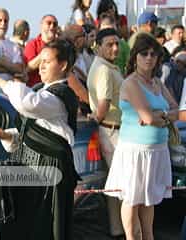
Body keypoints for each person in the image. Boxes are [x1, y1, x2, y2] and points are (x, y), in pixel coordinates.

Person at [0, 39, 79, 240]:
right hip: (31, 170)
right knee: (26, 227)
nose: (41, 66)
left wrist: (0, 82)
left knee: (46, 228)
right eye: (40, 61)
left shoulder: (61, 95)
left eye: (47, 61)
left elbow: (28, 104)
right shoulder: (39, 90)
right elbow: (29, 135)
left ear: (63, 65)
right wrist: (6, 135)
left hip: (51, 172)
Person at [104, 33, 178, 240]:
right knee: (131, 199)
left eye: (153, 54)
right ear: (135, 56)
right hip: (135, 152)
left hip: (157, 150)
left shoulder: (157, 82)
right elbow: (147, 116)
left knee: (149, 200)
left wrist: (160, 116)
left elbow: (176, 111)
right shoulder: (130, 83)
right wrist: (161, 117)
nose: (149, 57)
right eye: (144, 53)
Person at [87, 28, 125, 238]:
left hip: (114, 129)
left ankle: (118, 228)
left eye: (117, 43)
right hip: (111, 131)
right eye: (110, 44)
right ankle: (123, 228)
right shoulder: (103, 69)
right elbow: (103, 105)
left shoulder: (107, 66)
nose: (115, 48)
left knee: (115, 183)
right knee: (122, 182)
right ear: (98, 46)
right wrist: (97, 117)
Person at [24, 14, 59, 87]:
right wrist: (45, 53)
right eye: (49, 23)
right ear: (41, 25)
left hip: (55, 88)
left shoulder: (60, 45)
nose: (52, 26)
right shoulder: (32, 44)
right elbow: (28, 68)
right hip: (36, 88)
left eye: (55, 24)